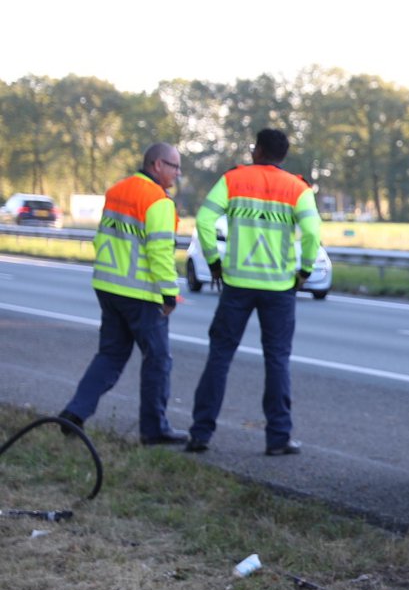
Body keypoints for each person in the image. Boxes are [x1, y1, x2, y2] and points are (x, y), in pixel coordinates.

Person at [184, 129, 322, 456]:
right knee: (277, 360)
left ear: (257, 150)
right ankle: (278, 438)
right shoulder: (298, 188)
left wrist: (214, 262)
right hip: (280, 288)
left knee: (220, 356)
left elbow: (204, 221)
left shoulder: (233, 180)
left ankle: (200, 433)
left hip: (237, 285)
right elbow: (313, 232)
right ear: (283, 155)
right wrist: (304, 271)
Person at [59, 144, 187, 445]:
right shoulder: (158, 201)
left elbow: (102, 238)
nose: (178, 173)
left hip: (108, 286)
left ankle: (74, 413)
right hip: (141, 293)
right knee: (157, 360)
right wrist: (169, 294)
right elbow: (159, 251)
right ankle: (154, 430)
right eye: (174, 166)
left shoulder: (117, 190)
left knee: (110, 355)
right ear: (157, 165)